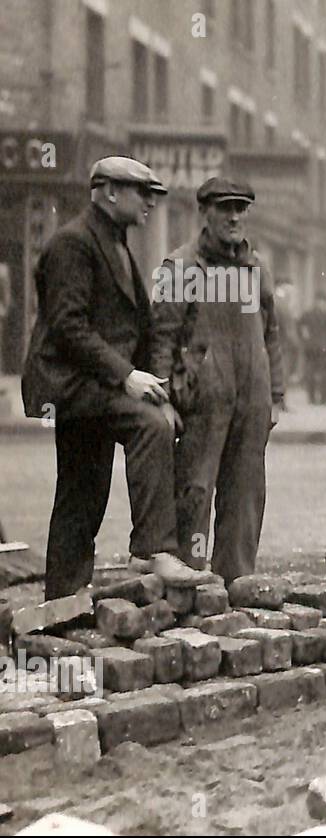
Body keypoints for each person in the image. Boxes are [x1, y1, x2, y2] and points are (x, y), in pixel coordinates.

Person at [20, 156, 211, 598]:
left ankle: (65, 600)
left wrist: (158, 389)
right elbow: (68, 327)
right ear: (108, 192)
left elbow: (136, 328)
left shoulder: (115, 243)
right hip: (71, 385)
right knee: (146, 429)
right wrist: (127, 377)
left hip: (94, 385)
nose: (149, 203)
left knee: (82, 494)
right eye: (141, 193)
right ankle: (151, 549)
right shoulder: (73, 243)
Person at [151, 177, 283, 585]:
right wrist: (161, 398)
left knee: (245, 495)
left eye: (241, 209)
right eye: (225, 208)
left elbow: (272, 333)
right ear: (203, 212)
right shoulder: (182, 267)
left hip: (253, 400)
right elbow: (162, 337)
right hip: (202, 402)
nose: (234, 217)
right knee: (195, 492)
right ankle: (191, 586)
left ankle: (237, 585)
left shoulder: (255, 269)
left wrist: (275, 395)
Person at [299, 292, 326, 405]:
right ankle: (324, 398)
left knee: (311, 372)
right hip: (324, 348)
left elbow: (301, 328)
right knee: (323, 372)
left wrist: (306, 339)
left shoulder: (307, 314)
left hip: (311, 347)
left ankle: (312, 398)